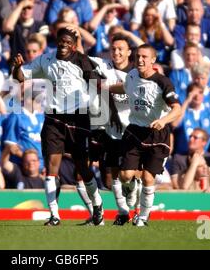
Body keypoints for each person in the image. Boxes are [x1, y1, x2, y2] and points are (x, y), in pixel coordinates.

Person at [11, 26, 110, 226]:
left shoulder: (82, 60)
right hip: (54, 120)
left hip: (78, 118)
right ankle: (55, 215)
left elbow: (95, 84)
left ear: (74, 46)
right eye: (61, 41)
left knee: (82, 168)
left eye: (68, 43)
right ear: (57, 41)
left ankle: (98, 204)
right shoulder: (46, 60)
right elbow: (20, 77)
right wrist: (17, 67)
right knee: (51, 167)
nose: (64, 45)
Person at [109, 43, 181, 226]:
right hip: (134, 131)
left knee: (149, 177)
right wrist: (105, 88)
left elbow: (177, 108)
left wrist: (163, 121)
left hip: (157, 134)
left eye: (144, 57)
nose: (140, 60)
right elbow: (125, 88)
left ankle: (143, 217)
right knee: (125, 176)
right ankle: (132, 191)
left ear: (153, 60)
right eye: (138, 56)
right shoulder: (132, 75)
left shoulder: (163, 82)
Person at [88, 33, 133, 225]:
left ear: (129, 52)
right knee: (111, 177)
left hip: (132, 129)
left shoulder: (135, 74)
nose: (116, 52)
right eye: (113, 49)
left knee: (130, 175)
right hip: (110, 130)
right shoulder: (103, 65)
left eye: (121, 49)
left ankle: (134, 206)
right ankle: (123, 212)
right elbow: (80, 56)